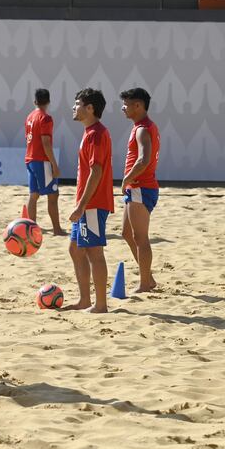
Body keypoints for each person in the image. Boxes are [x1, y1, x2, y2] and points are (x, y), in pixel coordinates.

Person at [66, 88, 114, 313]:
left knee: (94, 253)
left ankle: (101, 304)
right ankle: (85, 300)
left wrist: (82, 205)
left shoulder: (96, 133)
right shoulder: (90, 132)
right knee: (75, 249)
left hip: (93, 204)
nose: (73, 108)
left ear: (90, 108)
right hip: (87, 204)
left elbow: (97, 171)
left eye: (77, 103)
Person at [120, 88, 160, 293]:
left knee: (140, 237)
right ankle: (148, 277)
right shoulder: (140, 126)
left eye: (126, 104)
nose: (123, 108)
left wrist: (127, 178)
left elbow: (144, 159)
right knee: (126, 233)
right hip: (137, 187)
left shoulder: (144, 128)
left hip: (140, 187)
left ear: (138, 105)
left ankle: (145, 283)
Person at [24, 88, 66, 235]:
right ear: (48, 101)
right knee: (53, 195)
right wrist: (54, 164)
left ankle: (31, 228)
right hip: (42, 161)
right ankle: (57, 229)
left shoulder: (30, 116)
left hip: (30, 159)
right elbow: (46, 142)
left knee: (33, 195)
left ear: (35, 101)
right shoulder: (45, 118)